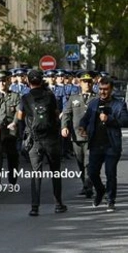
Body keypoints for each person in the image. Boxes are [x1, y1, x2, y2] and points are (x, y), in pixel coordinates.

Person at [17, 69, 67, 216]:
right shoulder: (50, 96)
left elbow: (20, 117)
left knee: (36, 173)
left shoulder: (25, 97)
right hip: (51, 139)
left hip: (34, 140)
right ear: (41, 80)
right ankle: (58, 204)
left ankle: (34, 207)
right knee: (55, 172)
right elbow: (57, 115)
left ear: (28, 81)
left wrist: (23, 134)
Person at [78, 76, 128, 211]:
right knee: (92, 172)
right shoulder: (94, 103)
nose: (103, 92)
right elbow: (86, 118)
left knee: (110, 173)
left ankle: (110, 200)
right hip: (95, 144)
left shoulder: (119, 104)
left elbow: (125, 121)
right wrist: (82, 127)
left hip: (111, 145)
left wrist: (109, 119)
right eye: (100, 89)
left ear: (111, 89)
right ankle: (100, 190)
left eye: (106, 89)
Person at [61, 70, 96, 198]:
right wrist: (64, 127)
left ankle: (88, 186)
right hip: (76, 136)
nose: (87, 84)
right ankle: (85, 184)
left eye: (89, 82)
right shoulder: (73, 98)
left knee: (89, 162)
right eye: (85, 82)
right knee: (80, 163)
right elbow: (66, 113)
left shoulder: (97, 98)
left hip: (92, 136)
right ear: (80, 83)